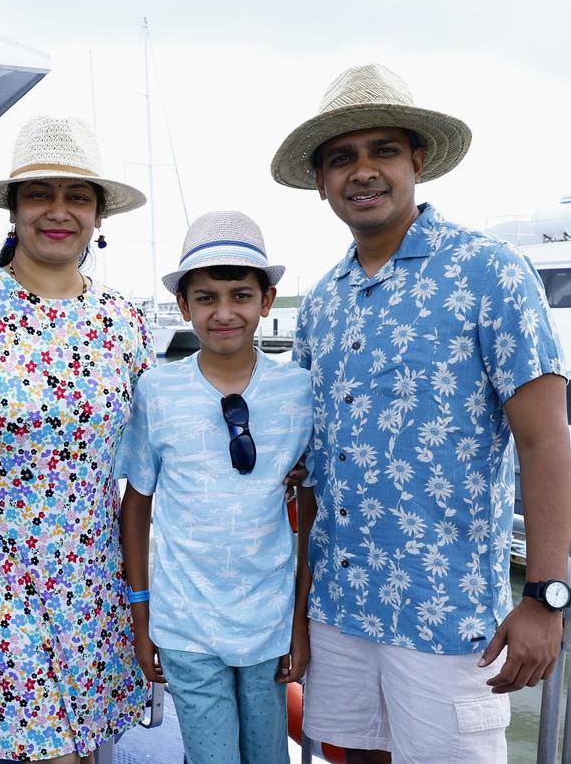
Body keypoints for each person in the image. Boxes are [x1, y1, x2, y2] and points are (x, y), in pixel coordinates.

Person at [270, 63, 571, 764]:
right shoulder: (322, 301)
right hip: (340, 609)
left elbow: (546, 438)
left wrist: (546, 596)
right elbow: (313, 474)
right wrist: (299, 609)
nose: (363, 171)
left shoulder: (489, 271)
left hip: (448, 616)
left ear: (418, 161)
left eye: (382, 151)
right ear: (321, 181)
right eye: (342, 157)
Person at [0, 115, 154, 763]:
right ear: (14, 210)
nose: (59, 210)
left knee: (80, 750)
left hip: (95, 587)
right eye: (39, 194)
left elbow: (156, 461)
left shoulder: (124, 323)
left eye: (77, 195)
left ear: (99, 213)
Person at [117, 210, 313, 764]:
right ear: (184, 307)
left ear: (267, 300)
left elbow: (309, 513)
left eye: (240, 295)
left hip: (270, 621)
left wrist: (299, 624)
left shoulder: (300, 392)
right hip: (184, 620)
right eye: (205, 298)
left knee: (268, 755)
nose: (224, 312)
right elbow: (137, 505)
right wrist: (141, 614)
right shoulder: (156, 390)